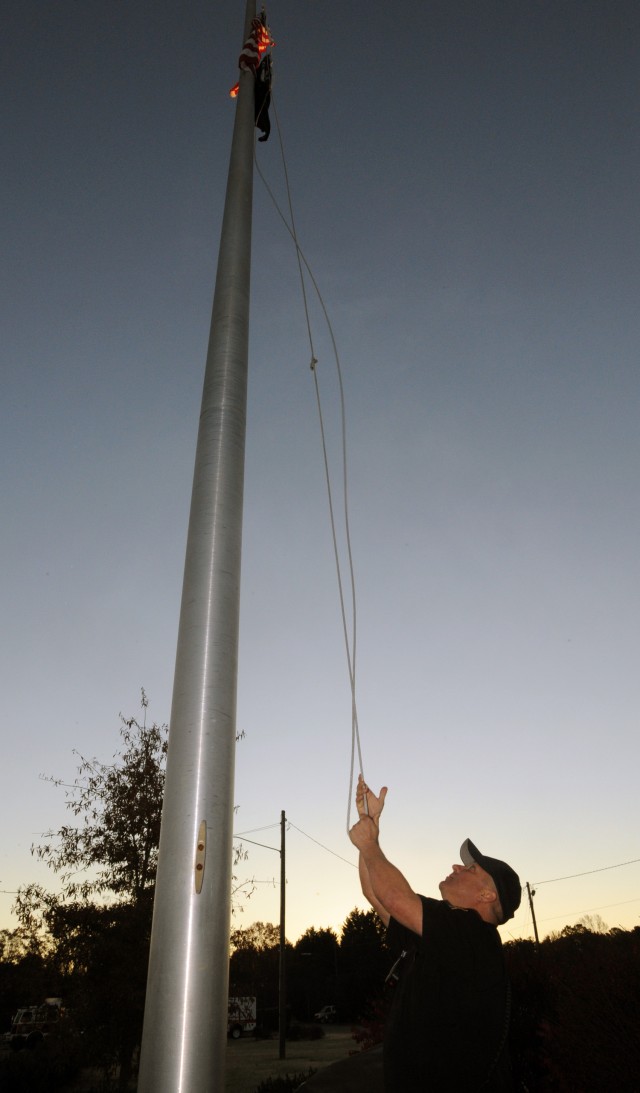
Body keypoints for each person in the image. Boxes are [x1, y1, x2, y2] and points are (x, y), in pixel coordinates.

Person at [349, 776, 521, 1091]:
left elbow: (396, 899)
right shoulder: (444, 934)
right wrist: (369, 823)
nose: (457, 867)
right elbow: (376, 894)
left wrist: (370, 843)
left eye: (471, 870)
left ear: (487, 897)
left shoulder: (475, 937)